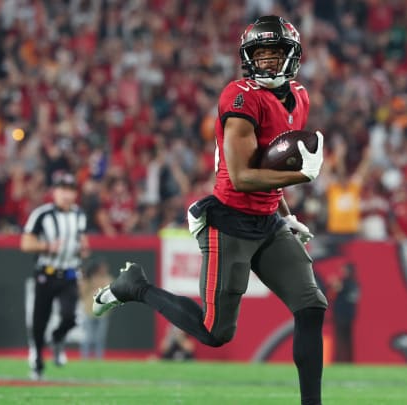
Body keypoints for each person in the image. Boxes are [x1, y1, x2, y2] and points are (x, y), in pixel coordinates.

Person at [92, 16, 327, 405]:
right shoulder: (240, 97)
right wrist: (303, 177)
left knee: (312, 306)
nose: (268, 62)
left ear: (293, 56)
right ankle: (135, 286)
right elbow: (241, 176)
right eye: (261, 54)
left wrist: (285, 212)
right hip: (230, 219)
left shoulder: (300, 97)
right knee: (215, 332)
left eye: (275, 54)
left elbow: (271, 164)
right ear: (247, 58)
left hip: (268, 222)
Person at [20, 171, 89, 380]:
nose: (66, 195)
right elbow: (25, 243)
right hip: (46, 274)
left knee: (70, 317)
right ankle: (37, 360)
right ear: (54, 192)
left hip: (69, 273)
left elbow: (82, 243)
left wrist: (84, 249)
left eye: (70, 190)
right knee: (40, 320)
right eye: (62, 190)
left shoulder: (79, 215)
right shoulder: (42, 214)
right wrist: (47, 246)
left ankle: (57, 339)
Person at [79, 260, 112, 360]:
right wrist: (88, 281)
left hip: (103, 313)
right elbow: (82, 293)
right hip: (89, 311)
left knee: (100, 338)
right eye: (101, 268)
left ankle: (99, 359)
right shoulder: (88, 279)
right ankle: (85, 358)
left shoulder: (108, 279)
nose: (103, 270)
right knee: (87, 337)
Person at [330, 263, 360, 363]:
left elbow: (337, 289)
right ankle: (347, 359)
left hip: (342, 314)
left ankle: (341, 359)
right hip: (348, 314)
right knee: (345, 339)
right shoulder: (354, 283)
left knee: (341, 338)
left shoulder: (347, 283)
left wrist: (334, 282)